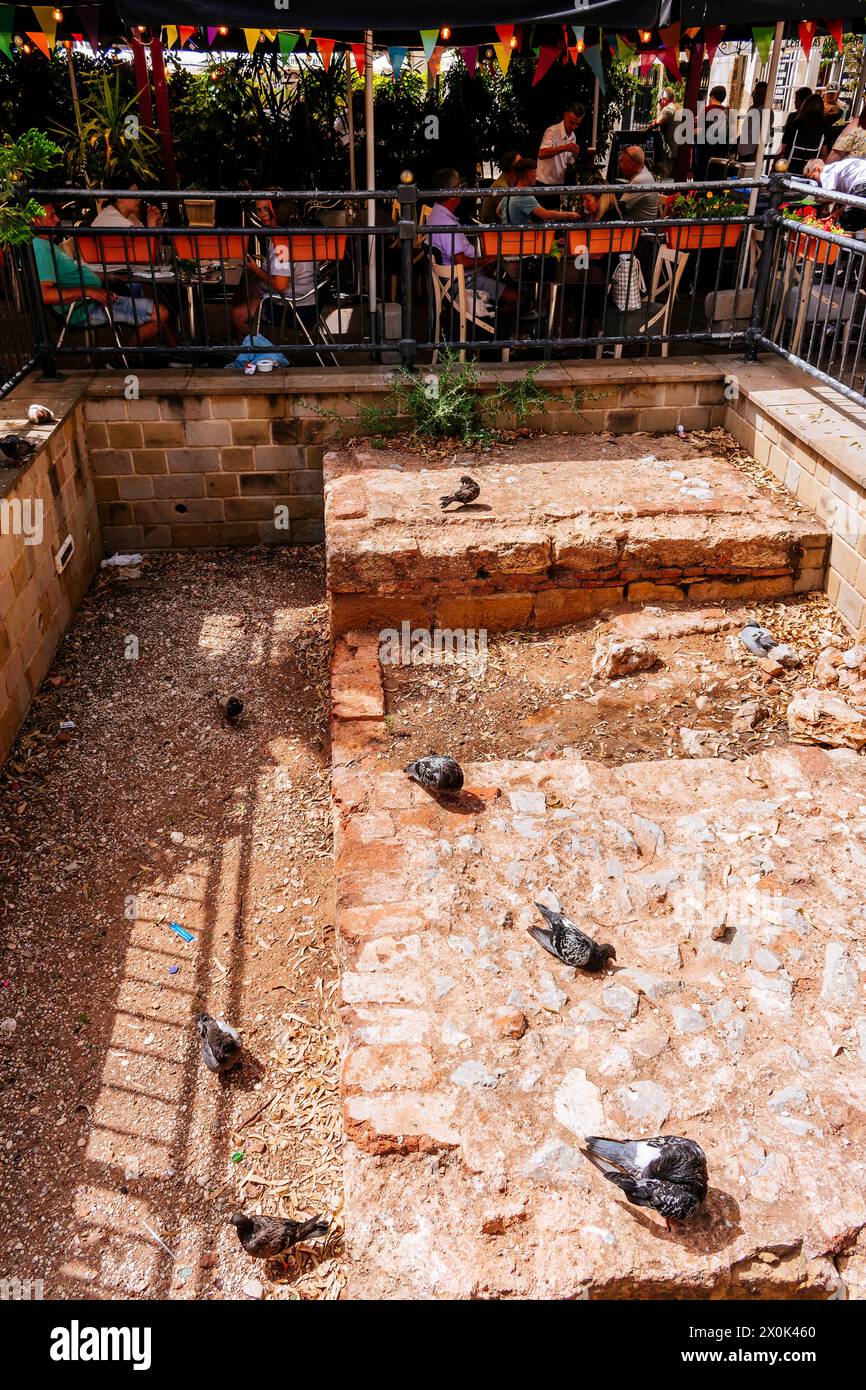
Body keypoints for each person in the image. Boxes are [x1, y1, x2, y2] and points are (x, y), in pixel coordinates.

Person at [32, 198, 174, 349]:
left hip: (94, 299)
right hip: (84, 309)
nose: (58, 219)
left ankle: (169, 347)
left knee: (151, 297)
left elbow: (76, 274)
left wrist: (112, 278)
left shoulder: (46, 245)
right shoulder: (41, 248)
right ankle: (120, 360)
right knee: (160, 313)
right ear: (36, 221)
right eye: (52, 216)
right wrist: (89, 292)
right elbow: (45, 294)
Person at [427, 169, 517, 314]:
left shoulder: (437, 214)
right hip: (463, 282)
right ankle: (491, 326)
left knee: (507, 281)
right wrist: (485, 261)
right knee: (518, 299)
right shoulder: (445, 224)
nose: (463, 190)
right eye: (460, 186)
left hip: (463, 277)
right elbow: (461, 260)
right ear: (452, 192)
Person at [232, 196, 322, 340]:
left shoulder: (281, 244)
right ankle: (245, 344)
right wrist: (268, 262)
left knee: (237, 314)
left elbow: (280, 284)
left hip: (293, 309)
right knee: (246, 288)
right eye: (259, 210)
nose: (261, 214)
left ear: (278, 212)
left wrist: (257, 269)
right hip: (310, 304)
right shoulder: (300, 233)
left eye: (267, 209)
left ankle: (266, 351)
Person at [498, 158, 583, 224]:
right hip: (518, 240)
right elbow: (546, 215)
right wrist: (569, 214)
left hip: (506, 238)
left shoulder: (509, 192)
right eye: (535, 172)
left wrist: (519, 222)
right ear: (529, 175)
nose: (536, 175)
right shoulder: (525, 196)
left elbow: (498, 211)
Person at [536, 102, 585, 199]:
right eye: (572, 122)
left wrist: (575, 157)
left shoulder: (573, 136)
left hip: (559, 185)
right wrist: (564, 147)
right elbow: (541, 154)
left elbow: (568, 162)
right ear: (565, 116)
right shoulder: (552, 131)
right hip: (543, 184)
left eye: (577, 124)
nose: (574, 127)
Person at [803, 156, 866, 230]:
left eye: (814, 177)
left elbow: (828, 197)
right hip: (862, 183)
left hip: (863, 183)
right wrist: (838, 213)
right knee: (860, 221)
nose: (817, 182)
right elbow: (851, 201)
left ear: (818, 169)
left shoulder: (826, 172)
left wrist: (808, 198)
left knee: (845, 223)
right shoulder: (839, 169)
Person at [779, 93, 830, 173]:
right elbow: (824, 154)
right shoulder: (824, 128)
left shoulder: (794, 124)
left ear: (804, 106)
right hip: (810, 170)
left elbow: (783, 150)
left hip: (789, 167)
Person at [695, 87, 731, 180]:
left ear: (712, 97)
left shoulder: (706, 110)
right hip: (721, 155)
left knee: (701, 181)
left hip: (705, 154)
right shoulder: (728, 113)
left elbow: (699, 131)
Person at [617, 146, 658, 221]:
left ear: (631, 163)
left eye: (622, 161)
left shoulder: (640, 180)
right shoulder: (643, 170)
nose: (620, 164)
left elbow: (619, 207)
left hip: (642, 229)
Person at [649, 89, 681, 181]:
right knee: (674, 176)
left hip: (669, 150)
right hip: (679, 149)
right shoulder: (680, 107)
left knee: (665, 175)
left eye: (659, 101)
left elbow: (656, 123)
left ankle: (665, 194)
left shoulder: (668, 109)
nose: (659, 104)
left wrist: (645, 130)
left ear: (665, 99)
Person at [480, 152, 520, 223]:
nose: (523, 166)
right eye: (520, 163)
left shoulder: (505, 183)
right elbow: (512, 217)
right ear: (512, 167)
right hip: (493, 230)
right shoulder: (502, 187)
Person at [738, 81, 768, 163]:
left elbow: (764, 136)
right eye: (756, 93)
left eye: (760, 95)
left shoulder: (765, 112)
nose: (756, 97)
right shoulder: (751, 108)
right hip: (742, 152)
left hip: (751, 155)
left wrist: (755, 156)